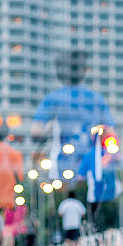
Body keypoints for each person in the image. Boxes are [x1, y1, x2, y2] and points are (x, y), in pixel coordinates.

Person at [30, 49, 115, 187]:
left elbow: (36, 131)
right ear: (85, 70)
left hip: (60, 165)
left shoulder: (53, 99)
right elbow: (111, 134)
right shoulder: (96, 99)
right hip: (91, 166)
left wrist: (50, 126)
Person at [77, 126, 123, 232]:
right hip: (105, 196)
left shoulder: (103, 154)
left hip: (101, 197)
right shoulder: (102, 154)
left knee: (100, 229)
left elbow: (80, 178)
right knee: (106, 229)